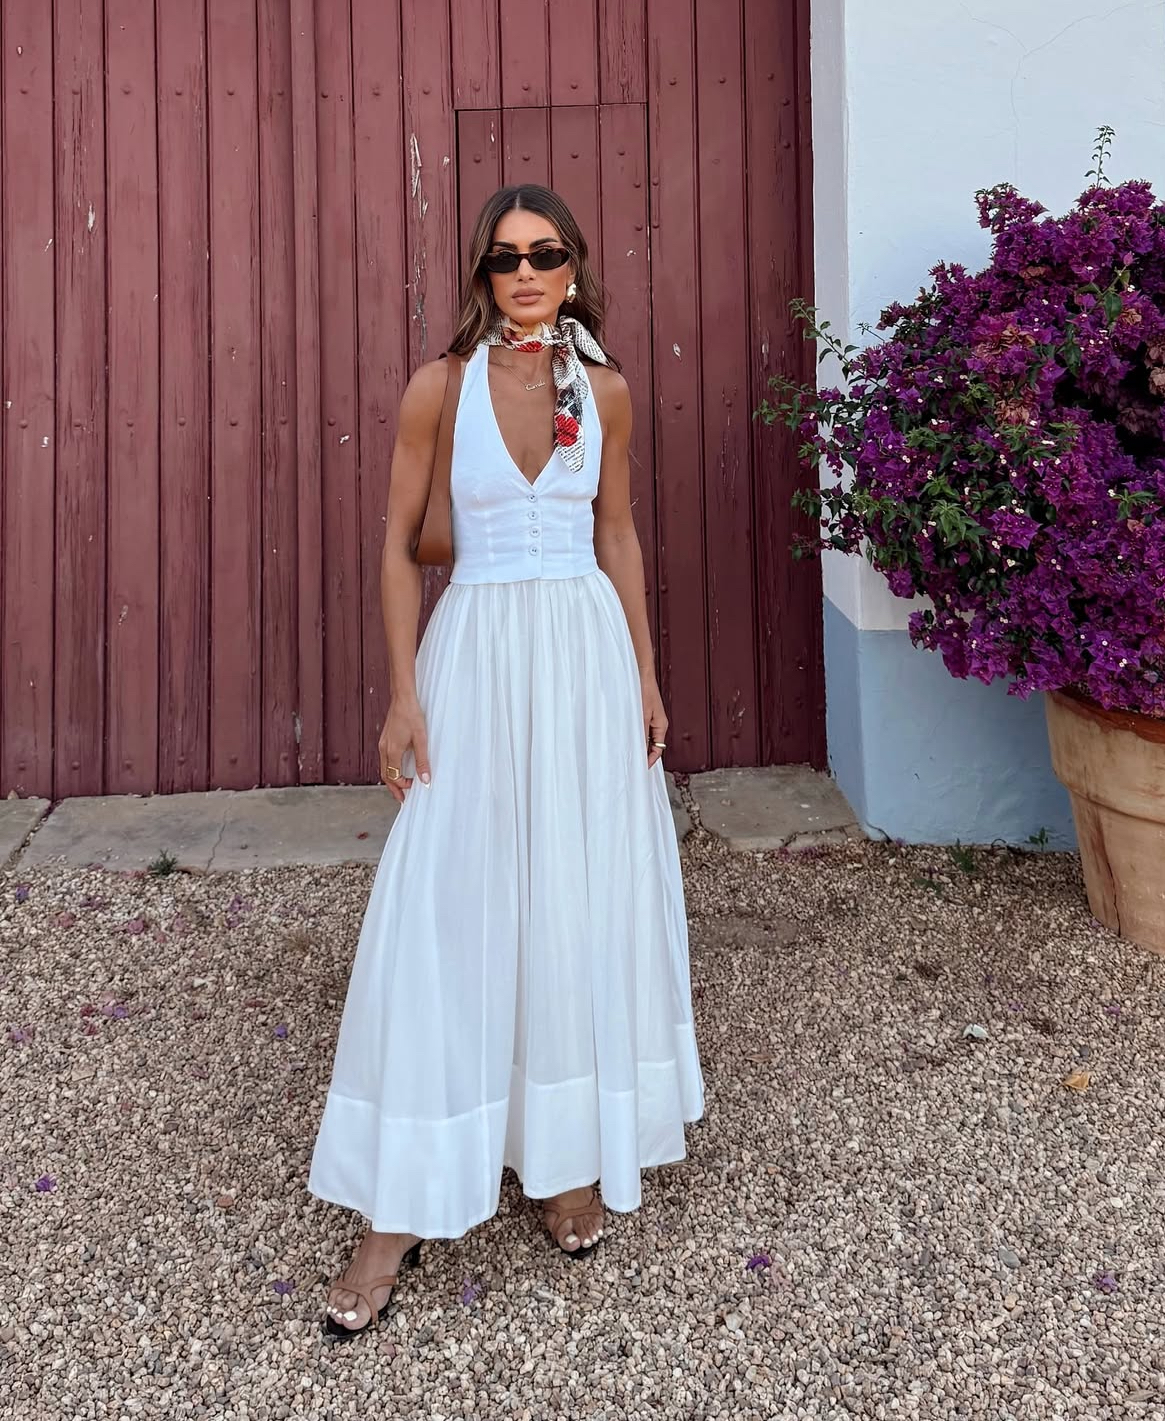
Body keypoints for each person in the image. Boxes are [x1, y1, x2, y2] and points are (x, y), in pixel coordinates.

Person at [309, 183, 705, 1339]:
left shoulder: (604, 390)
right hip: (475, 653)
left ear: (574, 267)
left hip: (583, 656)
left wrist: (645, 677)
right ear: (481, 274)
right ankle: (397, 1205)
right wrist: (402, 695)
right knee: (447, 904)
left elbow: (617, 532)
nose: (524, 273)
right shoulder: (438, 386)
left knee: (572, 897)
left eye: (544, 253)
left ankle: (563, 1153)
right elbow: (399, 546)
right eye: (503, 257)